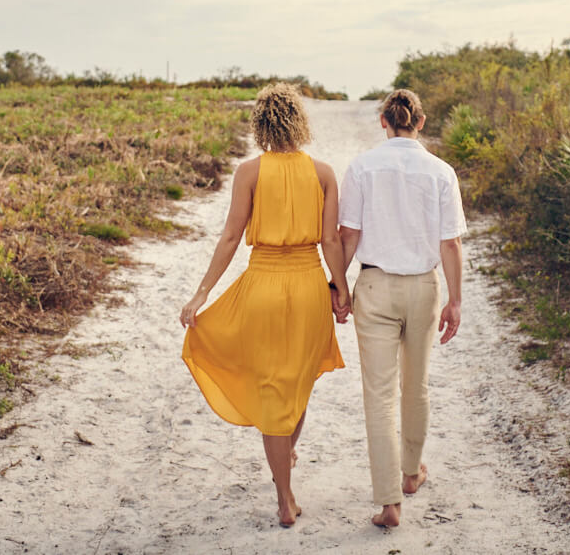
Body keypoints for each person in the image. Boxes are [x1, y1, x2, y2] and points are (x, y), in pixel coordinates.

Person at [179, 82, 351, 528]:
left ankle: (283, 494)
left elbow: (232, 236)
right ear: (299, 121)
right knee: (299, 379)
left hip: (264, 285)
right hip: (310, 283)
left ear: (260, 124)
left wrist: (202, 293)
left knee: (276, 386)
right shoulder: (324, 173)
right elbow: (331, 240)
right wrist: (341, 289)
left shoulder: (250, 173)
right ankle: (285, 471)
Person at [338, 87, 466, 529]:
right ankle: (412, 474)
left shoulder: (361, 167)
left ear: (383, 122)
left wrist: (338, 286)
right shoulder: (441, 171)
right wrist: (456, 299)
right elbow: (450, 242)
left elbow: (347, 237)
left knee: (379, 396)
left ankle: (390, 503)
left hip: (375, 285)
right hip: (424, 288)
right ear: (421, 122)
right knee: (417, 385)